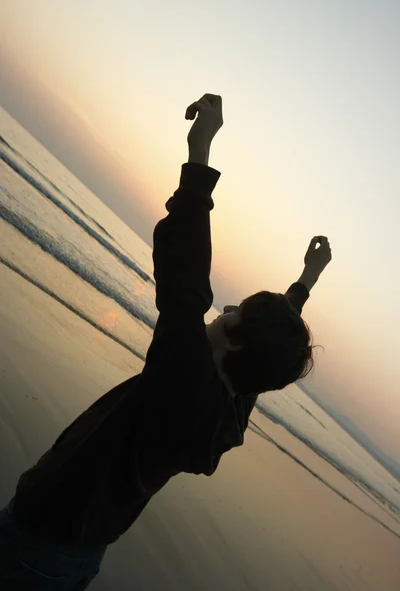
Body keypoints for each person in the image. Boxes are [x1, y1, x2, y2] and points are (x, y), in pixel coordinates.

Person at [0, 94, 332, 589]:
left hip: (32, 546)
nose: (226, 309)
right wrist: (304, 283)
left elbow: (186, 286)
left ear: (235, 344)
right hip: (79, 557)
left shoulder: (184, 384)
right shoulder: (226, 413)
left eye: (235, 311)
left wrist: (200, 154)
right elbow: (268, 356)